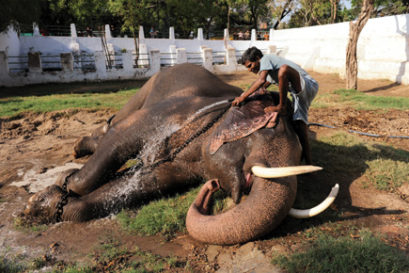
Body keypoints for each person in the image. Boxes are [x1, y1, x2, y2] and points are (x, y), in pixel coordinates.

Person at [232, 46, 318, 164]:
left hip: (308, 84)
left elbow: (261, 81)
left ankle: (281, 106)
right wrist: (250, 96)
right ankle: (309, 161)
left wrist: (243, 96)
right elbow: (263, 84)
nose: (249, 70)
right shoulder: (270, 72)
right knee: (299, 124)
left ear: (258, 58)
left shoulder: (266, 59)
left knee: (284, 70)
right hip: (297, 93)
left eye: (250, 66)